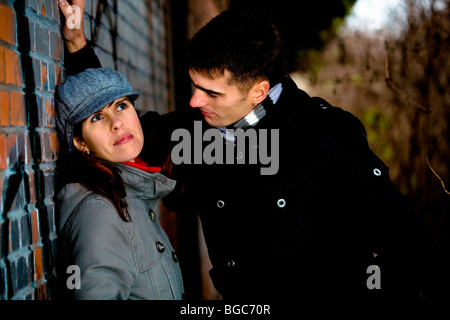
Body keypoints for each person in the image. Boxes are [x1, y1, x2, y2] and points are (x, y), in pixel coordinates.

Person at [58, 0, 419, 302]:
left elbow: (401, 239)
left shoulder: (327, 136)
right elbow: (120, 130)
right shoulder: (197, 128)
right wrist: (77, 46)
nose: (194, 101)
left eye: (211, 93)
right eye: (195, 85)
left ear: (258, 92)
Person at [54, 67, 184, 300]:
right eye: (97, 117)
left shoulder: (129, 192)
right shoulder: (101, 211)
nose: (116, 123)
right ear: (80, 142)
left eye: (121, 106)